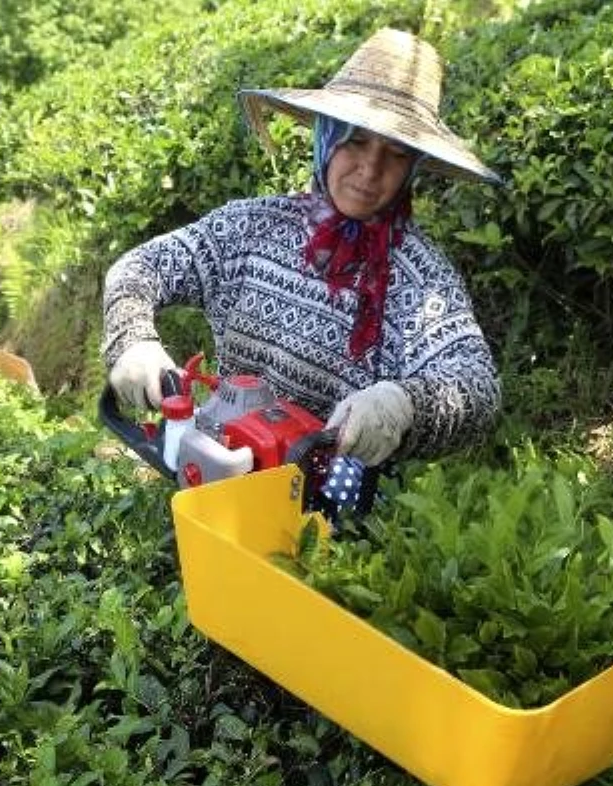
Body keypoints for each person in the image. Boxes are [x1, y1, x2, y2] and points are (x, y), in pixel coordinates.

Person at [101, 27, 502, 493]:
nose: (370, 171)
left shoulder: (420, 276)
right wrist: (132, 341)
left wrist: (404, 403)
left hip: (336, 523)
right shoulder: (251, 229)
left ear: (412, 168)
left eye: (395, 155)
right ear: (326, 138)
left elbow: (475, 385)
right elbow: (140, 268)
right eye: (354, 142)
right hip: (216, 479)